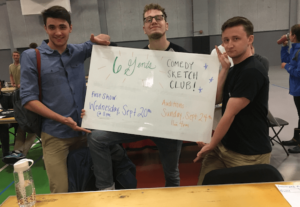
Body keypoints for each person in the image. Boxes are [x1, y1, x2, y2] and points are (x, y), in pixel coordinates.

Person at [87, 3, 185, 190]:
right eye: (149, 19)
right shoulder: (135, 59)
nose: (154, 21)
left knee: (172, 175)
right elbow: (118, 88)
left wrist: (196, 128)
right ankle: (106, 191)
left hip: (169, 126)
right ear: (144, 28)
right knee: (97, 138)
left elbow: (194, 96)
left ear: (166, 25)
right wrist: (94, 108)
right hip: (139, 123)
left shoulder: (183, 57)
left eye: (158, 18)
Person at [20, 6, 110, 193]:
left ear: (71, 27)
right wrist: (63, 120)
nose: (58, 32)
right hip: (55, 136)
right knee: (61, 192)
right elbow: (28, 99)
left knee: (89, 185)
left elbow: (105, 39)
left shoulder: (78, 51)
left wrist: (101, 39)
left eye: (62, 26)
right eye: (52, 27)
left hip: (85, 135)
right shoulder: (31, 56)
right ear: (45, 28)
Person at [194, 16, 272, 185]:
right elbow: (216, 99)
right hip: (225, 146)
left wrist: (210, 144)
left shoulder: (252, 71)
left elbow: (229, 114)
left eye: (236, 39)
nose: (229, 45)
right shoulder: (235, 69)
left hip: (248, 154)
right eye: (226, 40)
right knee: (205, 190)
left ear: (250, 39)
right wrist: (224, 69)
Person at [3, 52, 37, 164]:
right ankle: (18, 152)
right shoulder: (11, 67)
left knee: (31, 130)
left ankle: (21, 154)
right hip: (26, 116)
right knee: (22, 128)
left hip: (33, 119)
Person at [280, 24, 300, 153]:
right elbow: (287, 60)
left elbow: (298, 72)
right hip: (296, 89)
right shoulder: (295, 48)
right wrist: (284, 46)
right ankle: (296, 139)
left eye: (290, 33)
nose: (289, 35)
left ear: (294, 35)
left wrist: (286, 67)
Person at [0, 81, 17, 158]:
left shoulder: (7, 97)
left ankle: (11, 151)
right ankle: (6, 153)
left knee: (3, 127)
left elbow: (13, 110)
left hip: (6, 121)